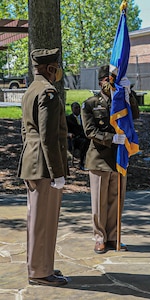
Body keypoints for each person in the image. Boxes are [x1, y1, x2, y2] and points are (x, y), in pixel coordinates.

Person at [17, 48, 68, 286]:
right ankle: (38, 271)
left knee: (43, 219)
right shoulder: (47, 92)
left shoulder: (30, 90)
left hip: (34, 159)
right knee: (42, 220)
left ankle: (43, 265)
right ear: (49, 68)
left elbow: (25, 131)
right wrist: (57, 172)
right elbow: (48, 137)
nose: (59, 70)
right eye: (56, 66)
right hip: (44, 165)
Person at [81, 65, 128, 254]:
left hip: (119, 158)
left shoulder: (122, 101)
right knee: (100, 203)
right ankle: (100, 237)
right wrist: (111, 139)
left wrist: (128, 96)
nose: (110, 83)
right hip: (99, 158)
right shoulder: (90, 103)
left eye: (113, 79)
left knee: (116, 200)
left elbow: (135, 115)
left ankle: (113, 237)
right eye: (107, 79)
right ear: (100, 82)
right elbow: (89, 131)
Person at [66, 102, 90, 170]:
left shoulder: (84, 117)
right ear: (72, 109)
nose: (78, 109)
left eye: (79, 107)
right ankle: (81, 163)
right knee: (84, 142)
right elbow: (65, 130)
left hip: (84, 136)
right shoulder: (68, 119)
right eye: (76, 108)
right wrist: (68, 134)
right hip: (74, 139)